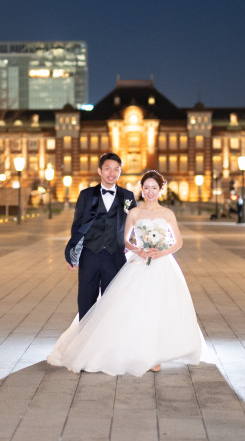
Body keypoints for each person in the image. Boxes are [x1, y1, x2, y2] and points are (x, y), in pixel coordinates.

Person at [48, 170, 205, 376]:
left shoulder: (167, 214)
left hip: (162, 263)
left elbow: (178, 241)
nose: (150, 192)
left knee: (159, 308)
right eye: (146, 188)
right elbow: (126, 241)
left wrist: (162, 251)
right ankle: (134, 351)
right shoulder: (134, 212)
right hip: (139, 262)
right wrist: (138, 249)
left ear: (161, 190)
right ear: (141, 189)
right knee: (135, 308)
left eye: (154, 188)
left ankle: (155, 356)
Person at [63, 152, 137, 319]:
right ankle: (85, 341)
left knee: (114, 302)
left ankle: (110, 342)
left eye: (116, 169)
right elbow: (77, 227)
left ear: (120, 171)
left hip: (115, 256)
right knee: (85, 300)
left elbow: (135, 226)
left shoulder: (128, 196)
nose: (112, 173)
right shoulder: (86, 195)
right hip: (90, 256)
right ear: (99, 171)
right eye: (107, 169)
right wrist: (73, 255)